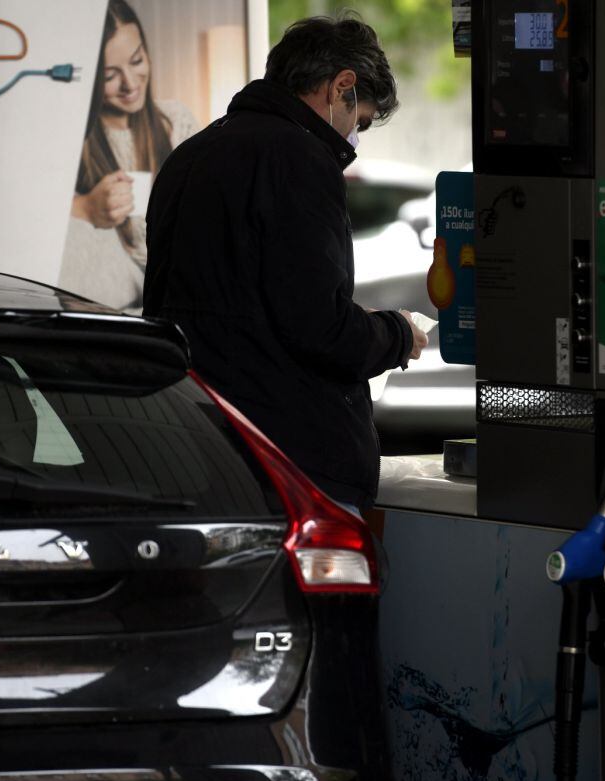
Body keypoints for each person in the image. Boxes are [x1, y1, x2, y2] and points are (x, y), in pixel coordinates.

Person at [143, 14, 428, 511]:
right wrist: (398, 334)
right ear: (342, 86)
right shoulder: (300, 159)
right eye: (358, 121)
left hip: (194, 441)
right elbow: (318, 327)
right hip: (287, 459)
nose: (354, 141)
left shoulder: (190, 155)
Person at [59, 0, 197, 311]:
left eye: (136, 61)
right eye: (110, 76)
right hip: (108, 289)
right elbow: (33, 217)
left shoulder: (175, 121)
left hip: (176, 279)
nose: (130, 84)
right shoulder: (72, 136)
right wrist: (85, 207)